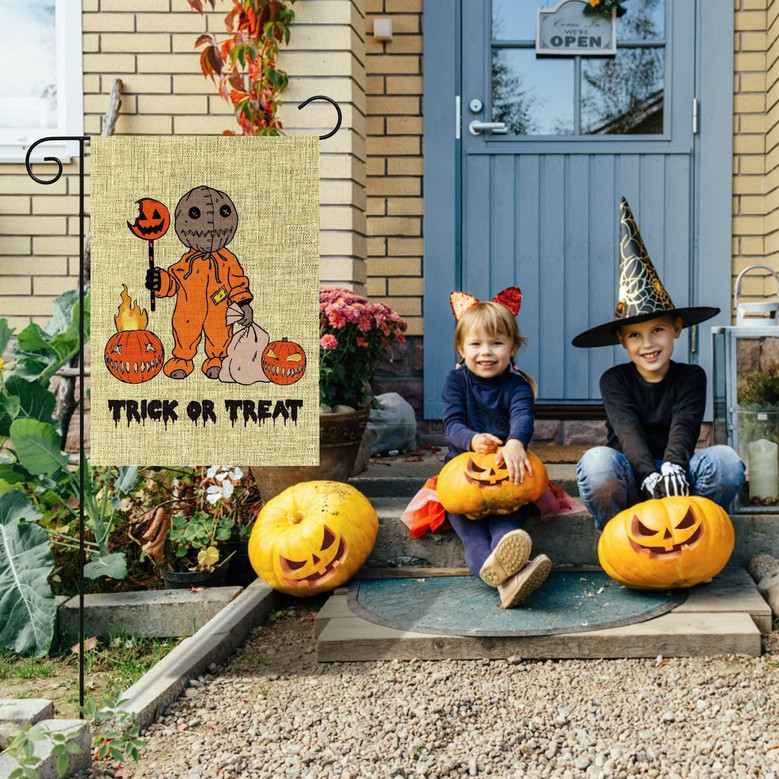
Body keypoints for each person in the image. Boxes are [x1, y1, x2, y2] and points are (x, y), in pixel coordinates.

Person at [572, 197, 745, 532]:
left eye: (658, 330)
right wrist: (650, 476)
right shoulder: (614, 380)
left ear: (677, 329)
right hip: (631, 476)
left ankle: (698, 533)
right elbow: (627, 430)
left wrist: (672, 468)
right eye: (634, 335)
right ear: (622, 341)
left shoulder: (691, 377)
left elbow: (685, 425)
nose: (648, 343)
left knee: (725, 461)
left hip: (678, 477)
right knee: (597, 464)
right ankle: (619, 536)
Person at [442, 286, 552, 608]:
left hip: (509, 473)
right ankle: (510, 581)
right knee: (473, 536)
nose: (486, 352)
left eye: (497, 343)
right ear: (462, 348)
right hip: (463, 478)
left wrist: (516, 442)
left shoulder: (517, 384)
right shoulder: (456, 381)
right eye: (476, 344)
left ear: (513, 347)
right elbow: (451, 424)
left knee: (507, 530)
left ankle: (508, 577)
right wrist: (472, 440)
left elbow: (523, 416)